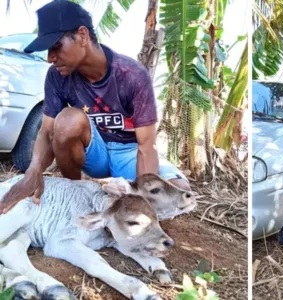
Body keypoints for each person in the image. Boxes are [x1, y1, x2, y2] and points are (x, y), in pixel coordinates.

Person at [0, 1, 190, 214]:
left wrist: (141, 203)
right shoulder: (56, 76)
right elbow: (46, 131)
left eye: (56, 47)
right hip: (94, 151)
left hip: (128, 152)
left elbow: (146, 147)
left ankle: (128, 193)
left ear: (82, 35)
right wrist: (33, 172)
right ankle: (75, 194)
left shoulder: (131, 75)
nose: (50, 57)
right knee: (67, 120)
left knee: (179, 194)